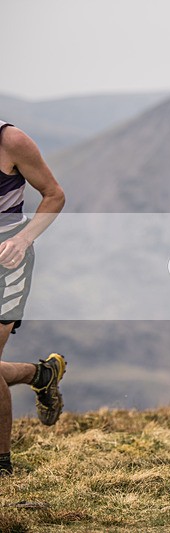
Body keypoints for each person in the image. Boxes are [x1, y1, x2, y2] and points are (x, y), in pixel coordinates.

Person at [0, 120, 67, 476]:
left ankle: (2, 466)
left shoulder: (11, 141)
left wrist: (24, 240)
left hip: (7, 265)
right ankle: (41, 375)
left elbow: (54, 194)